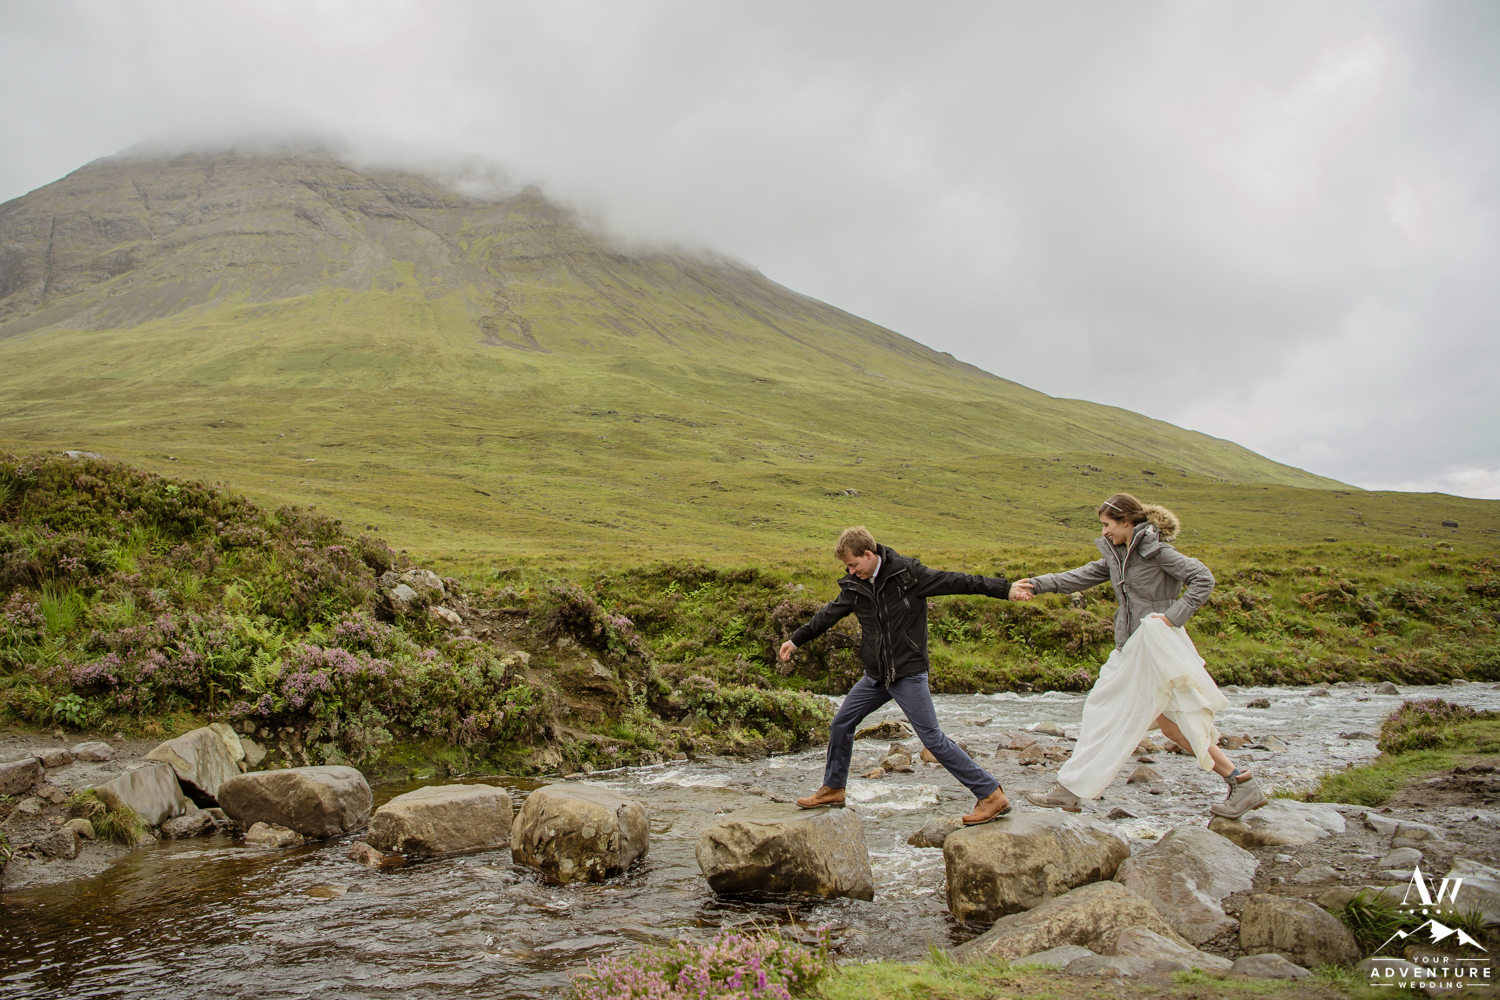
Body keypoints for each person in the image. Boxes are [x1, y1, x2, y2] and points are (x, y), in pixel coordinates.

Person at [1015, 493, 1267, 818]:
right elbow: (1080, 576)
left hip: (1157, 645)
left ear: (1127, 522)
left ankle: (1070, 791)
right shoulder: (1118, 555)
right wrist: (1037, 584)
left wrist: (1172, 618)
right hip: (1132, 646)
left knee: (1106, 710)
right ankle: (1241, 782)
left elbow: (1203, 579)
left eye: (1107, 525)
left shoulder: (1158, 551)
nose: (1104, 531)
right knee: (1172, 727)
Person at [778, 526, 1030, 826]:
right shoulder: (854, 585)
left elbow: (960, 581)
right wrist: (795, 640)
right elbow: (828, 614)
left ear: (868, 554)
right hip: (876, 677)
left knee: (933, 740)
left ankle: (991, 794)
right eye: (848, 567)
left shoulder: (908, 575)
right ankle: (833, 789)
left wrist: (1005, 589)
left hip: (908, 674)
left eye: (854, 565)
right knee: (841, 723)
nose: (851, 571)